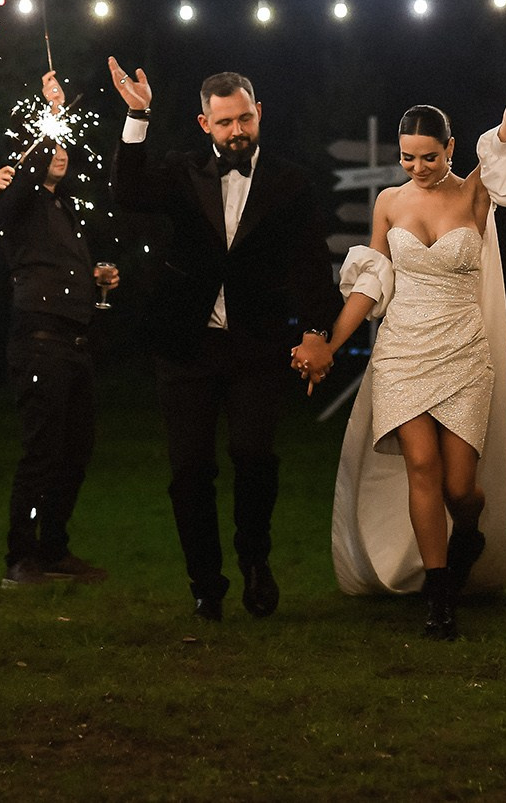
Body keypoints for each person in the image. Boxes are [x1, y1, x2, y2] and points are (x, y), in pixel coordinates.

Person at [317, 1, 506, 639]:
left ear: (450, 148)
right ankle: (439, 595)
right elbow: (370, 282)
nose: (418, 167)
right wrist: (331, 342)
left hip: (462, 350)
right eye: (408, 157)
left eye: (429, 155)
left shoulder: (477, 192)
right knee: (420, 468)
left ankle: (470, 530)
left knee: (459, 486)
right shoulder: (389, 202)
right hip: (401, 349)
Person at [107, 56, 345, 622]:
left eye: (244, 119)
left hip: (259, 345)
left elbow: (313, 265)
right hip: (186, 344)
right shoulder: (179, 171)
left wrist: (317, 333)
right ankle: (203, 580)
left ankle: (255, 561)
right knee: (189, 468)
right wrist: (138, 115)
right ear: (203, 124)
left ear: (258, 113)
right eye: (224, 123)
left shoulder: (291, 182)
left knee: (255, 456)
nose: (236, 131)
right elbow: (128, 190)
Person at [0, 71, 120, 589]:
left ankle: (54, 548)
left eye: (64, 146)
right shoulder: (17, 199)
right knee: (42, 452)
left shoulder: (63, 208)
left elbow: (59, 266)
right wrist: (52, 111)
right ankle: (20, 560)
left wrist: (96, 276)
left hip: (76, 342)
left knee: (75, 450)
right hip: (39, 343)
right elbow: (32, 165)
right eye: (50, 145)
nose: (59, 152)